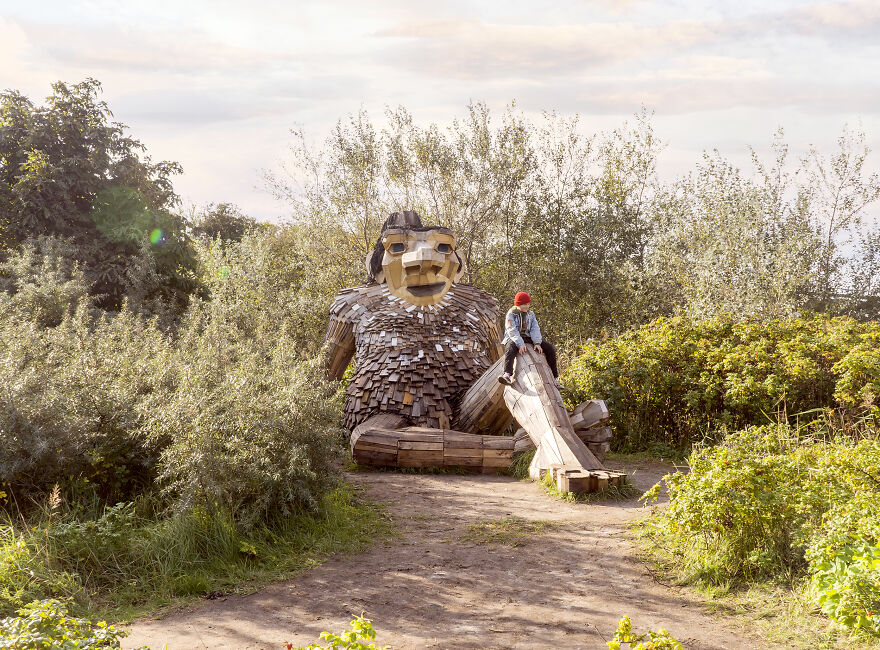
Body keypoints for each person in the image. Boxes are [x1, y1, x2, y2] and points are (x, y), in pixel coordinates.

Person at [498, 292, 561, 388]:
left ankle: (555, 378)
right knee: (510, 348)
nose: (527, 306)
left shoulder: (531, 314)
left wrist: (537, 342)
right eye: (525, 304)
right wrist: (520, 344)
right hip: (514, 337)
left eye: (528, 304)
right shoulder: (511, 314)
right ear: (518, 304)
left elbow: (535, 328)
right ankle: (507, 374)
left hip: (528, 337)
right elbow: (512, 330)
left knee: (550, 348)